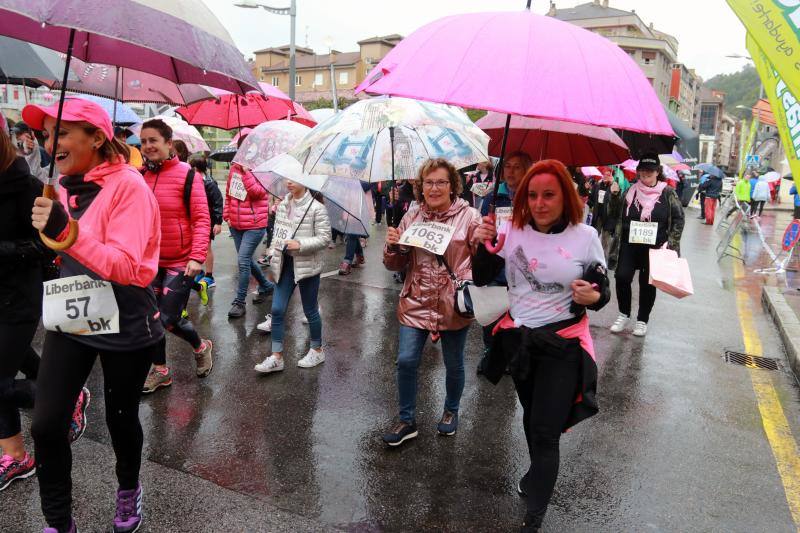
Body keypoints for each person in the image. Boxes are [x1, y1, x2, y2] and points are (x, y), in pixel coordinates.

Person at [24, 97, 163, 533]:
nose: (51, 143)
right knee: (46, 424)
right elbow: (64, 249)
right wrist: (47, 237)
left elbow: (127, 266)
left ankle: (127, 489)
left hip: (126, 316)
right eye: (48, 134)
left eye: (61, 132)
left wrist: (65, 231)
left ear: (97, 138)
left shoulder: (130, 187)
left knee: (120, 419)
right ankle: (59, 522)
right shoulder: (62, 184)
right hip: (75, 312)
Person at [471, 158, 610, 533]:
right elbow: (482, 276)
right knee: (532, 420)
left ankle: (533, 519)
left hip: (564, 345)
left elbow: (602, 290)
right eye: (532, 195)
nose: (539, 203)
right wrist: (483, 244)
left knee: (546, 431)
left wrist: (591, 297)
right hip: (521, 343)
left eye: (549, 195)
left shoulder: (585, 236)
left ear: (565, 196)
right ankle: (536, 474)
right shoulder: (512, 230)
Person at [381, 158, 481, 446]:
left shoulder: (470, 217)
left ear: (452, 186)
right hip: (416, 299)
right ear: (420, 187)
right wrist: (392, 246)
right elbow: (394, 266)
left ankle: (451, 411)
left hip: (452, 304)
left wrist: (487, 242)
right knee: (406, 360)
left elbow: (483, 262)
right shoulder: (411, 217)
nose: (434, 188)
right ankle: (406, 419)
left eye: (441, 182)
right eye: (428, 182)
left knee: (454, 363)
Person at [139, 119, 213, 394]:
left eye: (153, 140)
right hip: (148, 260)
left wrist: (197, 256)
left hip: (180, 261)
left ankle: (201, 346)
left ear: (169, 144)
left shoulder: (188, 175)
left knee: (167, 319)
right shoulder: (140, 176)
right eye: (143, 141)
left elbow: (202, 219)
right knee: (151, 317)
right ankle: (161, 371)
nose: (147, 146)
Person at [254, 180, 331, 373]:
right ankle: (276, 356)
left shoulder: (316, 208)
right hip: (284, 265)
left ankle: (317, 349)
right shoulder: (282, 206)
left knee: (310, 310)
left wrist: (300, 244)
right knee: (277, 309)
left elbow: (324, 238)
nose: (288, 182)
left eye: (293, 178)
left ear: (305, 181)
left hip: (307, 267)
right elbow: (277, 236)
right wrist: (271, 251)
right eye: (287, 177)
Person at [608, 153, 685, 337]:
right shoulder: (630, 190)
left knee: (647, 284)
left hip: (655, 247)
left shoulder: (667, 193)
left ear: (658, 172)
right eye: (642, 174)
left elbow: (678, 218)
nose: (645, 178)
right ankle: (623, 313)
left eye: (649, 174)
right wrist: (616, 195)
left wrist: (671, 244)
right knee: (622, 277)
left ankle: (642, 320)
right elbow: (615, 212)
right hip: (629, 243)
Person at [223, 161, 275, 318]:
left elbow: (258, 193)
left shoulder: (262, 169)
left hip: (255, 225)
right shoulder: (233, 169)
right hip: (236, 225)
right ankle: (266, 286)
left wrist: (246, 173)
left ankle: (240, 302)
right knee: (245, 259)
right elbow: (228, 195)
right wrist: (227, 216)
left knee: (243, 260)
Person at [189, 155, 223, 290]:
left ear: (196, 168)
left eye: (191, 167)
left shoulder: (209, 183)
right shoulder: (195, 180)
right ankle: (201, 272)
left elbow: (218, 202)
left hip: (206, 220)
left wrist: (218, 222)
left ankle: (209, 276)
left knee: (206, 247)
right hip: (197, 220)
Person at [480, 151, 533, 217]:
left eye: (517, 167)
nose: (511, 171)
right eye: (507, 166)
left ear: (526, 170)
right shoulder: (492, 197)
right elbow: (483, 221)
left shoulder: (532, 198)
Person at [588, 166, 618, 260]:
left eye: (608, 175)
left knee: (606, 240)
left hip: (608, 217)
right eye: (604, 174)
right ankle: (592, 256)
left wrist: (614, 189)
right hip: (598, 215)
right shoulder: (598, 185)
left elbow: (616, 202)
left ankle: (603, 260)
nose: (606, 176)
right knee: (594, 237)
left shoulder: (614, 186)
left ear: (611, 176)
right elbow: (591, 198)